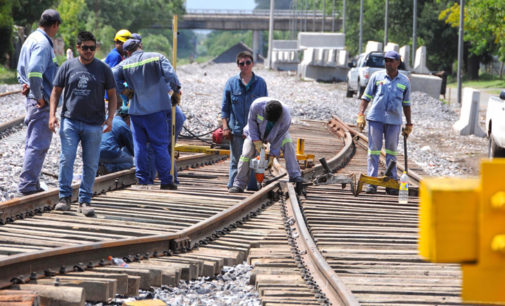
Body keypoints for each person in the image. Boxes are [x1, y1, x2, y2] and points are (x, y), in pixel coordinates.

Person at [49, 31, 117, 216]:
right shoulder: (67, 66)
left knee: (91, 163)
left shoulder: (103, 69)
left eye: (92, 48)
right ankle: (64, 198)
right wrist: (52, 115)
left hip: (94, 124)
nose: (89, 51)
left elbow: (112, 96)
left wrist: (110, 118)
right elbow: (55, 92)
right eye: (85, 48)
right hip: (70, 121)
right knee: (67, 158)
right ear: (78, 47)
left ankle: (85, 201)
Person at [112, 38, 181, 190]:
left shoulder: (124, 64)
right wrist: (176, 91)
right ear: (140, 46)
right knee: (160, 146)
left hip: (136, 112)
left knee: (140, 146)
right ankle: (165, 180)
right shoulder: (157, 57)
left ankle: (142, 179)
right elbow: (171, 76)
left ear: (127, 52)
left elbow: (112, 76)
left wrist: (124, 91)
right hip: (156, 111)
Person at [16, 9, 61, 196]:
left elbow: (23, 71)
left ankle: (31, 182)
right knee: (38, 144)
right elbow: (34, 70)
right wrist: (39, 95)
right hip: (40, 102)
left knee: (33, 142)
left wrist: (27, 85)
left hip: (33, 99)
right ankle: (27, 186)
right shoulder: (43, 44)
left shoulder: (31, 39)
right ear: (54, 25)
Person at [356, 50, 413, 194]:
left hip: (394, 121)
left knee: (391, 152)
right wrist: (361, 114)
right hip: (376, 118)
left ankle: (391, 182)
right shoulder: (377, 77)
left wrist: (409, 123)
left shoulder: (405, 81)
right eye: (386, 60)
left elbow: (406, 104)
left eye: (391, 60)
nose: (388, 63)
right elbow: (366, 97)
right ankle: (372, 182)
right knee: (373, 150)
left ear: (398, 62)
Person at [228, 98, 303, 193]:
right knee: (246, 154)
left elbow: (279, 137)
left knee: (288, 144)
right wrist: (256, 141)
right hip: (254, 132)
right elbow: (252, 123)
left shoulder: (286, 116)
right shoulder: (256, 105)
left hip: (276, 134)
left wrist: (272, 155)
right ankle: (239, 184)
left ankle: (295, 176)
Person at [221, 51, 268, 191]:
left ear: (252, 64)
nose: (245, 66)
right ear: (238, 65)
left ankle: (252, 187)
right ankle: (234, 186)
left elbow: (265, 109)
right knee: (236, 160)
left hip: (254, 131)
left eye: (248, 62)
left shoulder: (260, 83)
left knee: (253, 160)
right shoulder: (231, 83)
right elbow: (225, 108)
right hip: (236, 129)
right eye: (242, 63)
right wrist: (225, 128)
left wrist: (262, 132)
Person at [99, 106, 134, 174]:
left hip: (93, 151)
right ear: (128, 118)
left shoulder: (106, 118)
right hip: (109, 151)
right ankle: (109, 168)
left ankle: (103, 166)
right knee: (129, 161)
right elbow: (131, 148)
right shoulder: (123, 125)